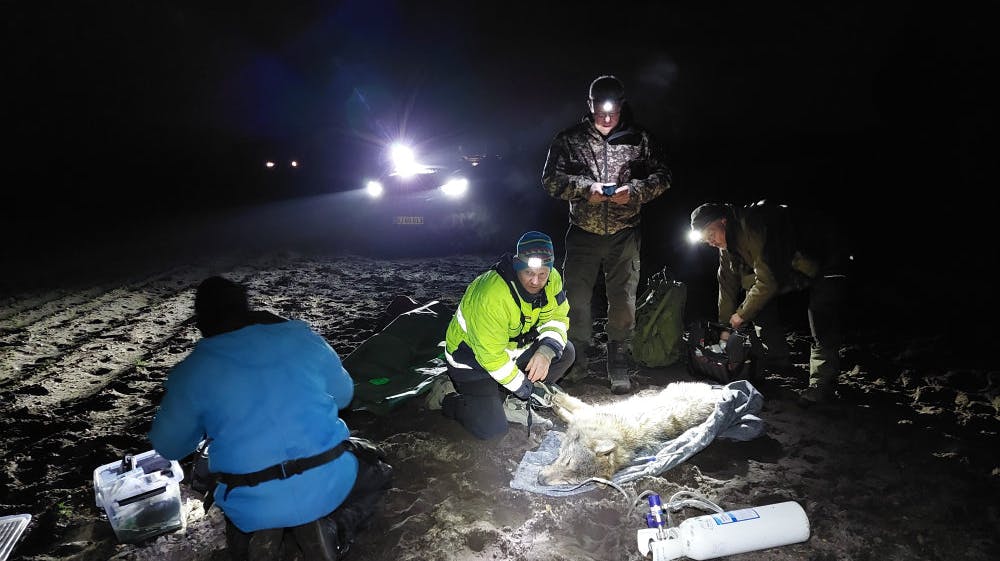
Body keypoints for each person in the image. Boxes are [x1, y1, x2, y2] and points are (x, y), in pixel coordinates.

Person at [148, 276, 392, 560]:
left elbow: (170, 447)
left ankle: (260, 536)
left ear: (202, 323)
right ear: (247, 308)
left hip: (250, 499)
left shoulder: (191, 372)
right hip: (328, 479)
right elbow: (344, 394)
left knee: (229, 488)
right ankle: (336, 526)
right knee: (380, 472)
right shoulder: (299, 336)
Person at [541, 74, 672, 394]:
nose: (607, 115)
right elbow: (550, 180)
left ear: (622, 106)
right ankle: (575, 360)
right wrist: (587, 190)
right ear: (590, 105)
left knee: (623, 301)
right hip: (583, 232)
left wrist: (635, 190)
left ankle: (618, 360)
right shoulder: (570, 139)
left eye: (613, 109)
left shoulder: (639, 138)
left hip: (624, 233)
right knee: (575, 300)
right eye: (601, 108)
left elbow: (664, 176)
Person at [688, 201, 850, 403]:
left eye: (710, 234)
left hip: (825, 256)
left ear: (723, 221)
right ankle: (778, 360)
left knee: (821, 315)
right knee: (755, 302)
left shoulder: (753, 226)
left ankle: (823, 383)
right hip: (792, 268)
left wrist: (741, 316)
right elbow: (727, 287)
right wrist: (724, 330)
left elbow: (768, 282)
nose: (710, 242)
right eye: (706, 240)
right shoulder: (726, 248)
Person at [425, 231, 576, 439]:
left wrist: (546, 351)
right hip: (473, 362)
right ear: (516, 265)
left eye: (542, 274)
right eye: (529, 273)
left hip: (511, 352)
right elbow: (491, 358)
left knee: (564, 351)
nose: (535, 281)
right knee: (493, 431)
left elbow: (557, 318)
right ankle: (446, 395)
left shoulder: (552, 280)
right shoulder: (492, 295)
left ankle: (514, 403)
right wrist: (526, 388)